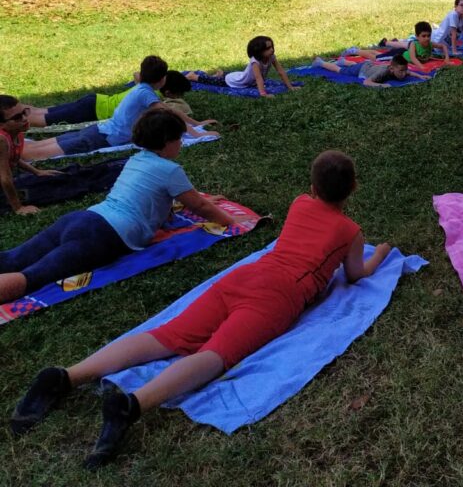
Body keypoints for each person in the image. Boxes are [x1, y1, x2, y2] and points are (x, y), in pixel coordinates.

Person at [9, 150, 391, 469]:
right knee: (215, 354)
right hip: (278, 296)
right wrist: (381, 256)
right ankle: (132, 405)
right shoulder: (350, 232)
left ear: (311, 187)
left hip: (245, 276)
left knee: (168, 335)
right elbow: (355, 275)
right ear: (354, 186)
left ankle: (69, 375)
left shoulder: (299, 203)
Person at [0, 110, 234, 304]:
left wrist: (194, 202)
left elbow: (155, 195)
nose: (181, 143)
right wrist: (231, 221)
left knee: (13, 258)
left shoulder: (136, 159)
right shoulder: (170, 170)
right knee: (31, 277)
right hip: (102, 236)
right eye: (179, 139)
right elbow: (200, 205)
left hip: (82, 218)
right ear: (167, 142)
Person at [22, 56, 212, 161]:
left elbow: (142, 78)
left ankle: (13, 148)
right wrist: (197, 134)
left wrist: (198, 123)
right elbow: (171, 115)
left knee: (39, 145)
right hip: (103, 137)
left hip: (99, 130)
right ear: (162, 80)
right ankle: (8, 153)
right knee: (34, 153)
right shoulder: (147, 94)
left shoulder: (141, 86)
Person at [190, 36, 295, 98]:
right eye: (268, 48)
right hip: (236, 82)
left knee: (233, 75)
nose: (271, 50)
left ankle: (221, 74)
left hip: (241, 76)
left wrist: (290, 87)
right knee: (213, 81)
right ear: (258, 51)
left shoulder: (272, 57)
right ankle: (193, 76)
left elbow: (281, 71)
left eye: (272, 47)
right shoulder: (255, 62)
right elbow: (258, 78)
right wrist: (263, 94)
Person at [313, 54, 429, 87]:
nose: (404, 74)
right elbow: (366, 82)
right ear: (392, 69)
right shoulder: (383, 72)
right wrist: (382, 86)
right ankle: (321, 62)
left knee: (354, 65)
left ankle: (344, 61)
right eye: (401, 71)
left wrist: (420, 76)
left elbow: (409, 72)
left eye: (405, 70)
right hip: (362, 70)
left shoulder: (398, 70)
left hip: (368, 65)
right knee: (340, 70)